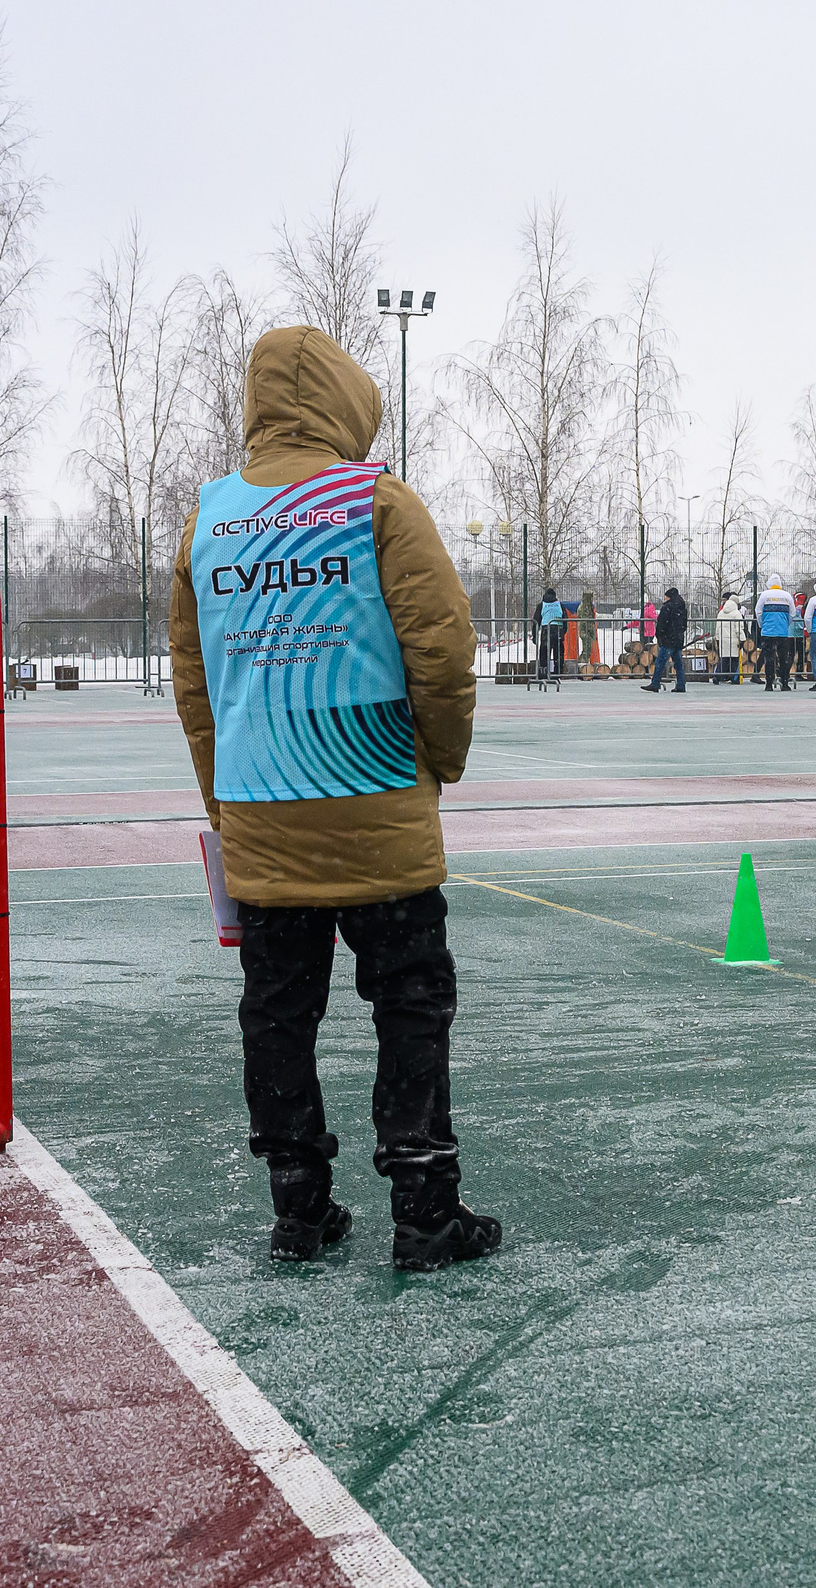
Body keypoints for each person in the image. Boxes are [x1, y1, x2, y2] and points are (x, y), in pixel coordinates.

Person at [169, 325, 496, 1272]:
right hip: (378, 796)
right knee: (410, 1003)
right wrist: (440, 760)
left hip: (261, 811)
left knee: (277, 1014)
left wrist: (228, 803)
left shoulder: (211, 519)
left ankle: (299, 1210)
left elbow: (198, 690)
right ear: (348, 402)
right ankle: (426, 1210)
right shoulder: (376, 500)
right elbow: (441, 648)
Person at [644, 584, 688, 693]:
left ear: (669, 597)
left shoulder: (667, 608)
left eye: (666, 596)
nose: (665, 598)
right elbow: (684, 625)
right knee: (678, 663)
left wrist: (660, 636)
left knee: (660, 661)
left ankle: (655, 683)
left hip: (668, 640)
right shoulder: (682, 608)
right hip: (678, 639)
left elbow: (661, 624)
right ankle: (681, 685)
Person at [755, 575, 794, 691]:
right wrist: (785, 624)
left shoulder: (765, 595)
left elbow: (758, 611)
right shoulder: (787, 596)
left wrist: (762, 625)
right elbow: (792, 614)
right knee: (783, 659)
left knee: (769, 658)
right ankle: (785, 683)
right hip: (783, 632)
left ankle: (769, 684)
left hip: (768, 632)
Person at [714, 591, 745, 684]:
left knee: (724, 659)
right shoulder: (736, 613)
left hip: (723, 639)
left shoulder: (721, 612)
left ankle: (718, 676)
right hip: (733, 640)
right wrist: (742, 639)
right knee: (734, 660)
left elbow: (718, 627)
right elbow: (739, 628)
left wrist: (718, 638)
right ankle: (734, 678)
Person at [537, 585, 565, 681]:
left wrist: (534, 635)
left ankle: (544, 673)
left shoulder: (542, 605)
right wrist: (563, 633)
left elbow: (536, 620)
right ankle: (557, 674)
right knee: (558, 653)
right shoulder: (560, 605)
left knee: (544, 652)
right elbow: (565, 619)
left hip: (546, 630)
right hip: (558, 630)